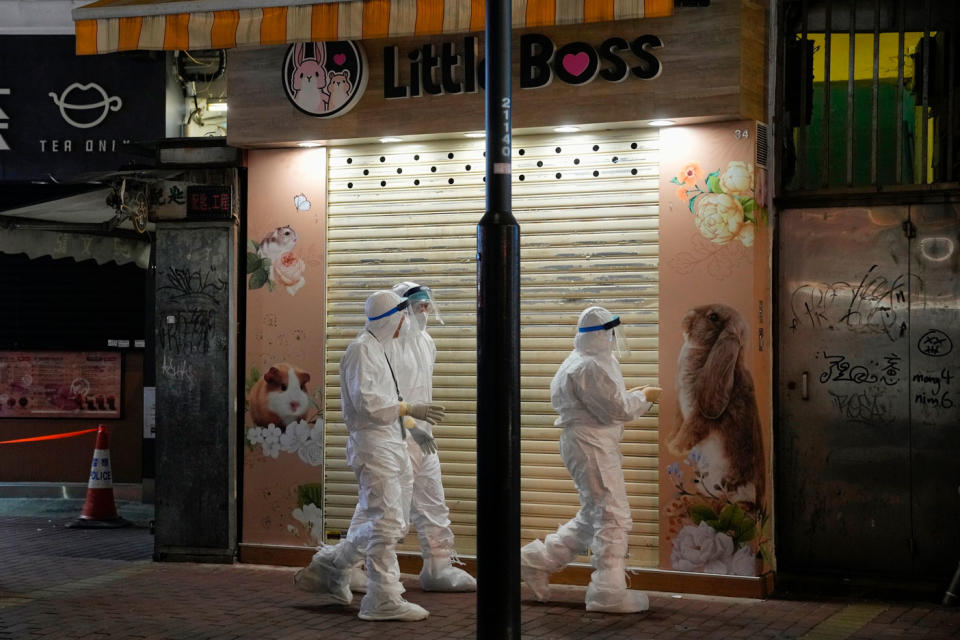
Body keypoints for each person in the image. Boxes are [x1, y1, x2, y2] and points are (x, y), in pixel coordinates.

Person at [294, 289, 445, 621]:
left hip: (391, 440)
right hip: (373, 444)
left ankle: (333, 564)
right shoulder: (361, 351)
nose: (404, 324)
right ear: (390, 319)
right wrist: (408, 407)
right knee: (387, 522)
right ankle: (382, 597)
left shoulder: (381, 346)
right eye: (401, 318)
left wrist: (410, 423)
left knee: (389, 520)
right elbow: (368, 402)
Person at [519, 305, 661, 613]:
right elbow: (617, 409)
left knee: (594, 514)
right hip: (591, 445)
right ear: (603, 334)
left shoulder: (582, 360)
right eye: (611, 333)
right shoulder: (592, 366)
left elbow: (606, 402)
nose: (614, 339)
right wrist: (645, 398)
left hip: (586, 443)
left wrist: (633, 396)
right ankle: (607, 592)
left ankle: (536, 560)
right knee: (613, 515)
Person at [348, 282, 475, 592]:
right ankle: (348, 564)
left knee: (433, 500)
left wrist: (420, 432)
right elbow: (378, 398)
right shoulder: (380, 345)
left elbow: (421, 392)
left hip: (419, 437)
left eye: (426, 304)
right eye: (417, 305)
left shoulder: (426, 342)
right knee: (381, 507)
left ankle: (438, 564)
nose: (424, 311)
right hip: (391, 437)